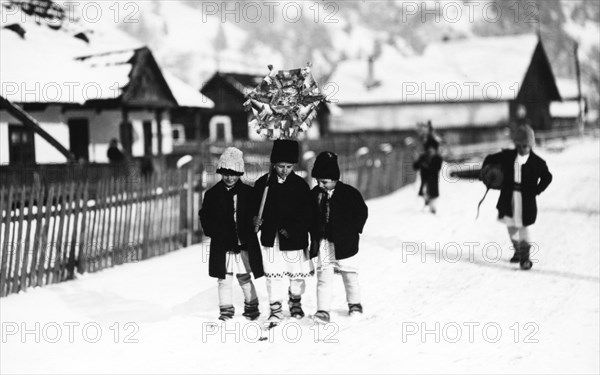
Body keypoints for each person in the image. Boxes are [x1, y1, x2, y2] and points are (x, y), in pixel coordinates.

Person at [253, 139, 315, 326]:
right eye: (280, 166)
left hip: (294, 238)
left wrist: (297, 230)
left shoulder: (300, 185)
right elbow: (254, 209)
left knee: (296, 275)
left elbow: (308, 214)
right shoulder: (263, 184)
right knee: (274, 275)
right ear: (273, 164)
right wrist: (255, 219)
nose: (284, 170)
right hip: (272, 238)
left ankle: (295, 301)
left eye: (289, 166)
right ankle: (275, 308)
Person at [199, 147, 264, 321]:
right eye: (226, 173)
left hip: (243, 243)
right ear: (221, 172)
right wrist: (213, 231)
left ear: (240, 173)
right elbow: (205, 216)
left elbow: (255, 215)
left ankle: (252, 306)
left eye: (234, 173)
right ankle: (225, 310)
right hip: (222, 244)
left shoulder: (248, 194)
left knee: (244, 276)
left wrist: (256, 223)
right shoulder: (212, 195)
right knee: (224, 278)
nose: (229, 177)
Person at [481, 124, 552, 270]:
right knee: (511, 225)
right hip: (509, 197)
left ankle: (525, 257)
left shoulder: (537, 162)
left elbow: (547, 177)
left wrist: (537, 190)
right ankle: (518, 250)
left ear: (530, 145)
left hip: (526, 200)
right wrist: (487, 171)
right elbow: (489, 158)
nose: (521, 149)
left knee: (523, 226)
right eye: (518, 146)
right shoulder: (507, 156)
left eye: (525, 146)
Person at [309, 152, 368, 324]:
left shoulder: (349, 194)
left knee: (349, 275)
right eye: (318, 181)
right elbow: (309, 215)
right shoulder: (315, 195)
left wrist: (354, 230)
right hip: (324, 243)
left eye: (324, 181)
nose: (320, 184)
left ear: (335, 179)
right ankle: (322, 311)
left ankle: (355, 304)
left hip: (345, 242)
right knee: (323, 277)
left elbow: (361, 212)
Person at [413, 137, 443, 214]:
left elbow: (435, 169)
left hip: (433, 184)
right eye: (429, 148)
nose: (430, 151)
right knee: (422, 207)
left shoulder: (437, 158)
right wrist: (417, 160)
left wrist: (425, 165)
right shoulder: (423, 157)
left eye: (432, 149)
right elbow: (415, 167)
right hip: (424, 184)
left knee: (433, 207)